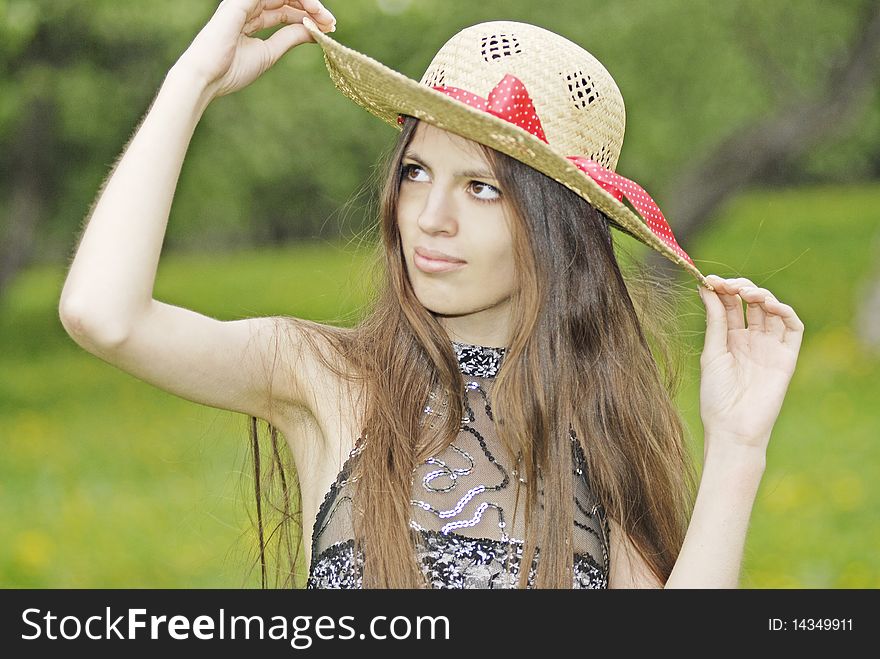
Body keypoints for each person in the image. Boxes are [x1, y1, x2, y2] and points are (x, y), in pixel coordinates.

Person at [58, 0, 804, 589]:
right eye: (417, 172)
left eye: (481, 187)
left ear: (556, 230)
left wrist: (738, 443)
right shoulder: (327, 375)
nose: (431, 217)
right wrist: (195, 80)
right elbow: (104, 314)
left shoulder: (592, 432)